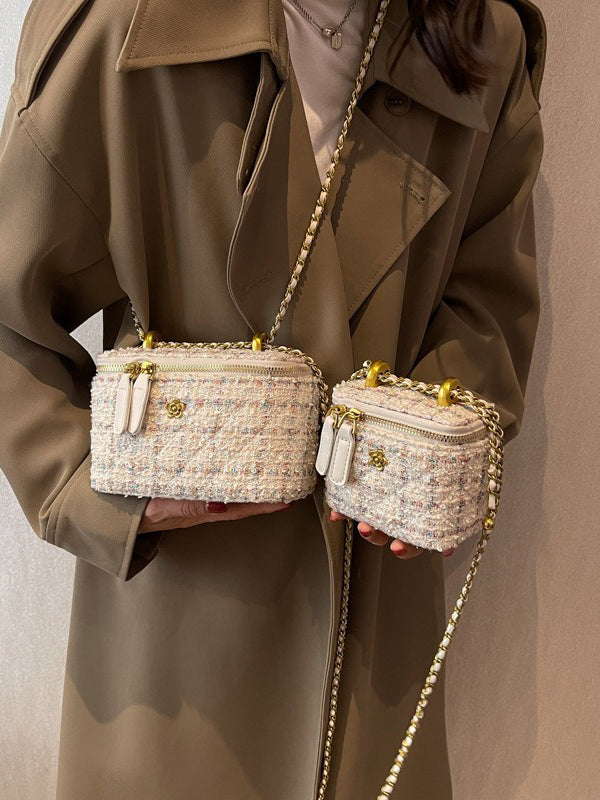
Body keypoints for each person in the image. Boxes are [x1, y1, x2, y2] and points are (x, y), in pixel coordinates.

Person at [0, 0, 546, 798]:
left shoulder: (479, 41)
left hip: (373, 641)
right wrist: (97, 487)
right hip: (173, 649)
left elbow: (489, 300)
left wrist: (428, 453)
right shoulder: (126, 25)